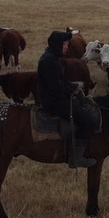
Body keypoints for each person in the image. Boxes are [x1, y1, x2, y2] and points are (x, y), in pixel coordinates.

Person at [37, 30, 97, 168]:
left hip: (56, 97)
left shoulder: (52, 58)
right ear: (57, 44)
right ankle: (76, 158)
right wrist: (71, 89)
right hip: (53, 101)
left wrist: (74, 85)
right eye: (65, 44)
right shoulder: (48, 61)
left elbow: (60, 81)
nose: (66, 47)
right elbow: (55, 87)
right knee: (88, 121)